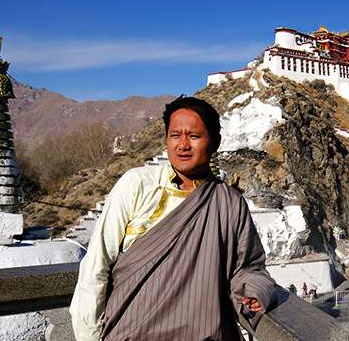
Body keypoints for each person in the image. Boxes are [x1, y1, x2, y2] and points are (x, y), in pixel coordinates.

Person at [69, 97, 276, 341]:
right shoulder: (138, 185)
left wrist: (253, 292)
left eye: (194, 136)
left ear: (215, 142)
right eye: (175, 135)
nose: (183, 145)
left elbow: (248, 266)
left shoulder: (228, 202)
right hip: (131, 333)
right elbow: (96, 266)